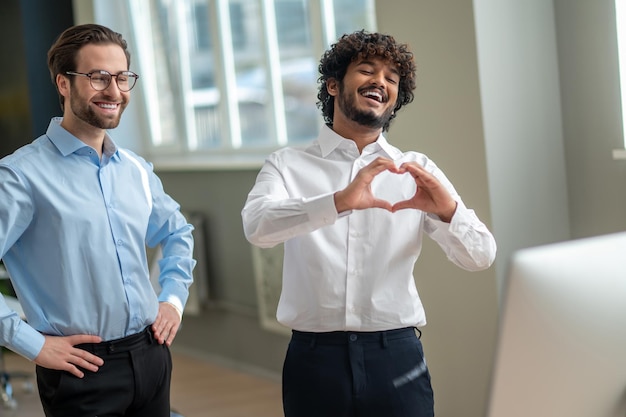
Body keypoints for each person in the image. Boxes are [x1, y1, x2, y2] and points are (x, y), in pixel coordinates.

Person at [241, 30, 496, 417]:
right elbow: (257, 227)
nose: (381, 81)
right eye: (366, 70)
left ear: (395, 100)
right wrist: (338, 202)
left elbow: (481, 256)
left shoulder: (416, 170)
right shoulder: (287, 164)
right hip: (314, 360)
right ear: (333, 85)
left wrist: (449, 212)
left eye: (392, 78)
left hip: (396, 355)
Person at [0, 24, 196, 417]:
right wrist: (31, 343)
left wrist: (172, 300)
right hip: (81, 370)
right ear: (63, 83)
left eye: (122, 77)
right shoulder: (20, 176)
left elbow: (177, 232)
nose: (114, 90)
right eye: (98, 77)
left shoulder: (136, 170)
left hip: (152, 355)